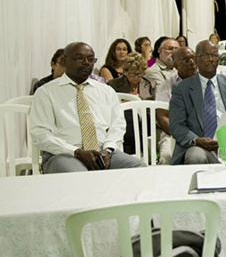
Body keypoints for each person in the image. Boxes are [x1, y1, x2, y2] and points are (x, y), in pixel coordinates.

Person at [30, 42, 146, 173]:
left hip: (102, 152)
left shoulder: (105, 91)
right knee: (81, 178)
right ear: (64, 60)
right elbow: (40, 134)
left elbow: (117, 126)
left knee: (139, 169)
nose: (86, 63)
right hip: (63, 154)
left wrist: (107, 150)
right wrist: (76, 152)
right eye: (80, 58)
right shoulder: (46, 92)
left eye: (91, 59)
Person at [155, 47, 197, 164]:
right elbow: (162, 118)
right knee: (167, 155)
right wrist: (185, 136)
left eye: (194, 58)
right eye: (186, 60)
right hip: (173, 134)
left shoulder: (205, 81)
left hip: (203, 132)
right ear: (175, 65)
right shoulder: (166, 86)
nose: (192, 63)